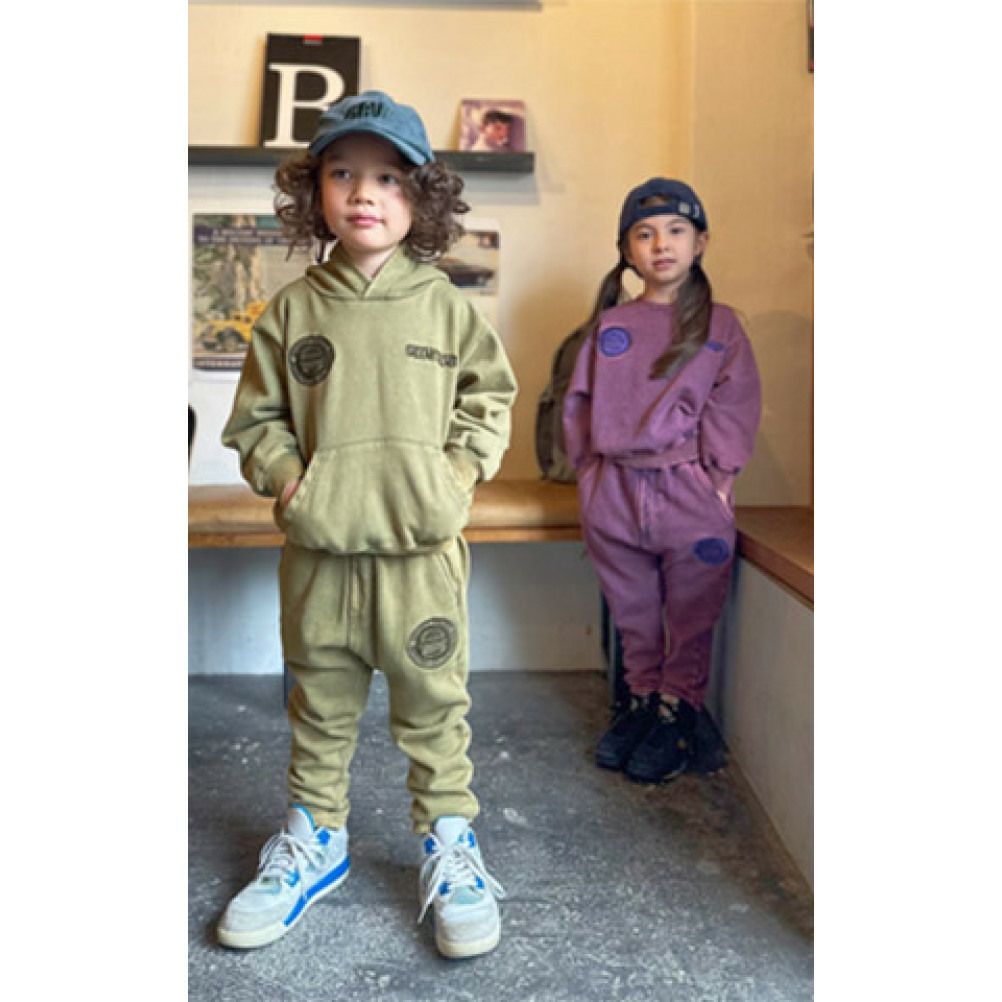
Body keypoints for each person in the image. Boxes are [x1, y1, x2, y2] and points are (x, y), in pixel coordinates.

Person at [217, 90, 517, 959]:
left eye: (388, 177)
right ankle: (315, 840)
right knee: (319, 709)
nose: (364, 193)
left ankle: (450, 845)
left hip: (422, 557)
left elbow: (488, 402)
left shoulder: (450, 309)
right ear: (314, 192)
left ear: (423, 196)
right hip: (320, 557)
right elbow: (256, 421)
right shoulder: (291, 312)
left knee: (435, 708)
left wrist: (452, 480)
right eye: (343, 173)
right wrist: (290, 483)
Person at [563, 178, 761, 785]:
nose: (661, 245)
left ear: (701, 242)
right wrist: (591, 477)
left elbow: (736, 404)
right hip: (615, 494)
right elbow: (578, 405)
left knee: (692, 614)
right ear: (627, 250)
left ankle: (679, 710)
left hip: (688, 495)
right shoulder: (610, 326)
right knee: (635, 612)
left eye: (676, 230)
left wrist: (717, 477)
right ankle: (643, 702)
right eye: (644, 234)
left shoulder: (721, 326)